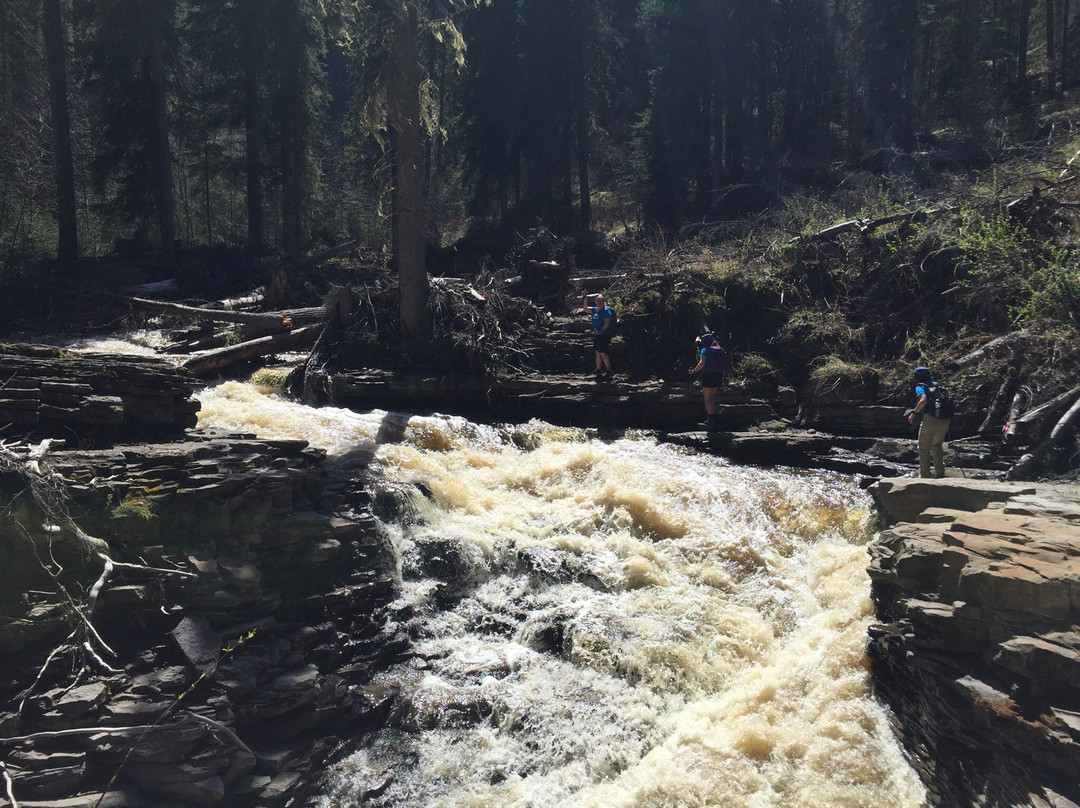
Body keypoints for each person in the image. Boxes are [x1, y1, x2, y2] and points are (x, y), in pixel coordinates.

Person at [908, 365, 951, 478]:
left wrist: (914, 413)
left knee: (923, 448)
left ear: (917, 377)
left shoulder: (920, 387)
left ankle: (925, 476)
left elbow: (923, 400)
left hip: (930, 419)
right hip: (944, 420)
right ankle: (940, 474)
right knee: (936, 445)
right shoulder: (938, 386)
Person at [689, 333, 728, 431]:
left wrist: (693, 371)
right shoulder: (720, 350)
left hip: (708, 376)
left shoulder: (705, 350)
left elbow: (702, 363)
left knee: (707, 399)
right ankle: (713, 418)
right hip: (718, 376)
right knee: (711, 398)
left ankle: (711, 419)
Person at [581, 292, 615, 380]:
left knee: (603, 352)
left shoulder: (606, 311)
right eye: (598, 301)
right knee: (597, 352)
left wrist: (601, 331)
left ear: (604, 302)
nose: (600, 302)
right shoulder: (595, 309)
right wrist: (585, 298)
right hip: (598, 334)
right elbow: (585, 308)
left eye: (601, 301)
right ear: (596, 302)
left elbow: (607, 322)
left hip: (605, 334)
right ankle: (598, 370)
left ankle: (608, 370)